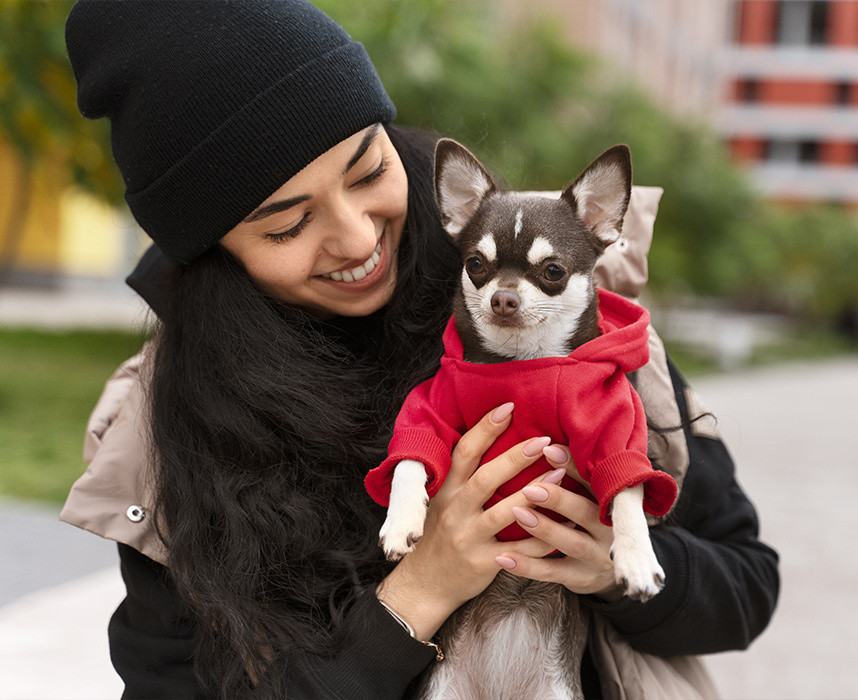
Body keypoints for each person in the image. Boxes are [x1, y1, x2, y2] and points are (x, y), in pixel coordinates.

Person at [61, 1, 779, 698]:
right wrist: (420, 591)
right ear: (212, 252)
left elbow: (747, 582)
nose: (355, 237)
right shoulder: (170, 427)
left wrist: (609, 566)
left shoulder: (581, 311)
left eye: (368, 170)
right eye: (287, 225)